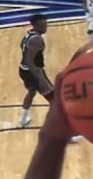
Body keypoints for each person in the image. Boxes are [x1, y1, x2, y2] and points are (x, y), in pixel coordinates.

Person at [17, 14, 82, 142]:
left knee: (31, 92)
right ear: (36, 24)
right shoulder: (37, 40)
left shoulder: (28, 35)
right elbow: (30, 61)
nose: (46, 26)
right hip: (33, 72)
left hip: (23, 70)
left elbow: (22, 48)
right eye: (43, 24)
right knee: (55, 102)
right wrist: (40, 78)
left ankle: (22, 120)